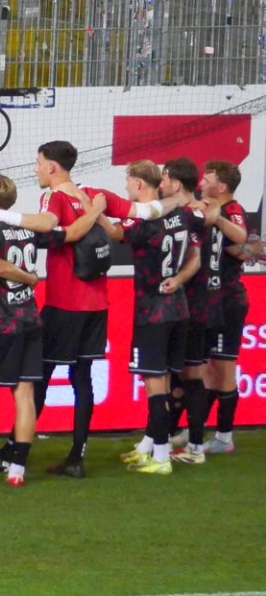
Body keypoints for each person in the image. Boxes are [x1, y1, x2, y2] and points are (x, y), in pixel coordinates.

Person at [34, 137, 150, 477]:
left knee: (40, 376)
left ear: (52, 166)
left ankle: (15, 450)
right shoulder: (92, 193)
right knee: (81, 377)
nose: (36, 170)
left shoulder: (54, 197)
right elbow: (140, 211)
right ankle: (76, 456)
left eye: (39, 163)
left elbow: (64, 234)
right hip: (97, 304)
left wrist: (95, 212)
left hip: (65, 304)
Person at [0, 173, 74, 486]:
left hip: (1, 323)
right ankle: (17, 468)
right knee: (24, 395)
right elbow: (65, 235)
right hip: (31, 320)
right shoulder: (27, 225)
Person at [106, 157, 201, 475]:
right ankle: (151, 446)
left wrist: (93, 210)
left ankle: (160, 458)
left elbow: (114, 232)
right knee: (164, 383)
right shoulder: (182, 214)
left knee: (155, 388)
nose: (126, 186)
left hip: (152, 313)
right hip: (179, 309)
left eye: (128, 181)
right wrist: (180, 279)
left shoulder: (142, 220)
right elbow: (195, 255)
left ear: (138, 183)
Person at [196, 161, 256, 454]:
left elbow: (242, 239)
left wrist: (217, 219)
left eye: (207, 178)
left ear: (220, 186)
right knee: (208, 368)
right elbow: (237, 248)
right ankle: (196, 430)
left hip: (228, 300)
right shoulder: (206, 207)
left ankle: (224, 437)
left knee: (224, 368)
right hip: (210, 299)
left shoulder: (231, 209)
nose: (201, 182)